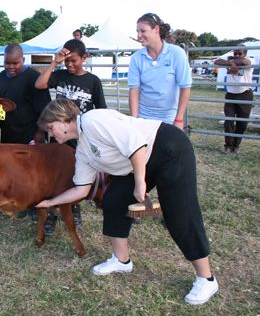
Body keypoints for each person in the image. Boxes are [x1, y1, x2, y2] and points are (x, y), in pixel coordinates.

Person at [36, 98, 219, 306]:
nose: (51, 134)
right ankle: (122, 261)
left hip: (166, 148)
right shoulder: (83, 148)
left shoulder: (92, 120)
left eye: (51, 128)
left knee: (179, 214)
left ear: (62, 119)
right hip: (137, 161)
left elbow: (136, 144)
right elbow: (82, 189)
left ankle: (207, 279)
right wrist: (50, 202)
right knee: (114, 201)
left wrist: (140, 183)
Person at [35, 38, 107, 228]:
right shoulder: (60, 75)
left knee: (77, 173)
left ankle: (73, 207)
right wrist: (55, 62)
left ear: (85, 58)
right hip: (59, 135)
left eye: (73, 60)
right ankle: (51, 212)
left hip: (81, 136)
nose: (69, 64)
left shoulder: (93, 81)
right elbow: (40, 85)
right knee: (54, 172)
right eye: (66, 61)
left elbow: (101, 109)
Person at [0, 43, 53, 228]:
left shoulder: (33, 78)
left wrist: (40, 132)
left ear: (23, 60)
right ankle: (15, 201)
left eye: (15, 63)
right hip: (9, 131)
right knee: (12, 168)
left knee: (32, 171)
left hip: (31, 131)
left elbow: (45, 108)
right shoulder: (0, 78)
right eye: (7, 63)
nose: (11, 67)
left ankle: (35, 205)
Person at [128, 13, 192, 130]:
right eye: (137, 31)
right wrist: (134, 120)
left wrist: (179, 119)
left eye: (143, 31)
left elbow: (185, 87)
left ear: (156, 29)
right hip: (144, 118)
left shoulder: (176, 54)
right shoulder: (136, 58)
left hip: (169, 118)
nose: (138, 35)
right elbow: (134, 90)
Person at [214, 45, 254, 154]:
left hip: (245, 94)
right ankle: (228, 145)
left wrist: (232, 62)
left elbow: (246, 63)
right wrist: (232, 63)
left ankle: (236, 145)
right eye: (235, 53)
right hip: (231, 94)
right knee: (229, 121)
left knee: (242, 123)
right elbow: (216, 61)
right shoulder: (231, 60)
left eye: (239, 53)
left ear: (245, 54)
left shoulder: (250, 59)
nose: (236, 55)